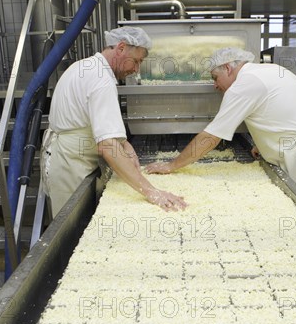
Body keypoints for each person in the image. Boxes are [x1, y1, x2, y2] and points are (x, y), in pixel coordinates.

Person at [146, 47, 296, 210]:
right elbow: (280, 113)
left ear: (228, 68)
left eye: (215, 77)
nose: (215, 85)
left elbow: (211, 137)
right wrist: (263, 145)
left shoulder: (244, 85)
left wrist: (172, 165)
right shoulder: (267, 70)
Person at [41, 26, 187, 216]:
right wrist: (152, 192)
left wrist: (125, 144)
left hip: (64, 155)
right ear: (120, 48)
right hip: (71, 165)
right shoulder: (102, 80)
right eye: (136, 61)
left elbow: (88, 119)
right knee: (72, 229)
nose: (135, 70)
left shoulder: (85, 66)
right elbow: (107, 146)